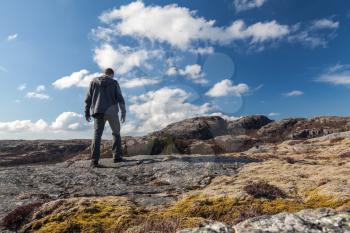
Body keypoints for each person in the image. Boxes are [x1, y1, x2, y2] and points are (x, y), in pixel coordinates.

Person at [84, 68, 126, 168]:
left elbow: (88, 98)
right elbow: (120, 98)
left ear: (104, 73)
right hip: (112, 112)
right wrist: (123, 112)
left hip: (98, 111)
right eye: (113, 75)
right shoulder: (114, 82)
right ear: (111, 74)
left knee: (97, 135)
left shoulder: (93, 82)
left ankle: (94, 161)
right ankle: (117, 157)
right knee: (116, 133)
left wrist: (86, 112)